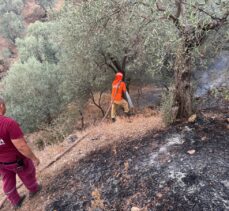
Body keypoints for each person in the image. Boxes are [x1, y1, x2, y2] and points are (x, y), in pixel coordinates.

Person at [0, 97, 41, 209]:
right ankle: (34, 189)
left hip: (1, 163)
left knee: (7, 180)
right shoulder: (8, 123)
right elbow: (21, 146)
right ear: (1, 105)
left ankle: (15, 201)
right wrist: (34, 158)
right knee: (27, 173)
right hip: (17, 161)